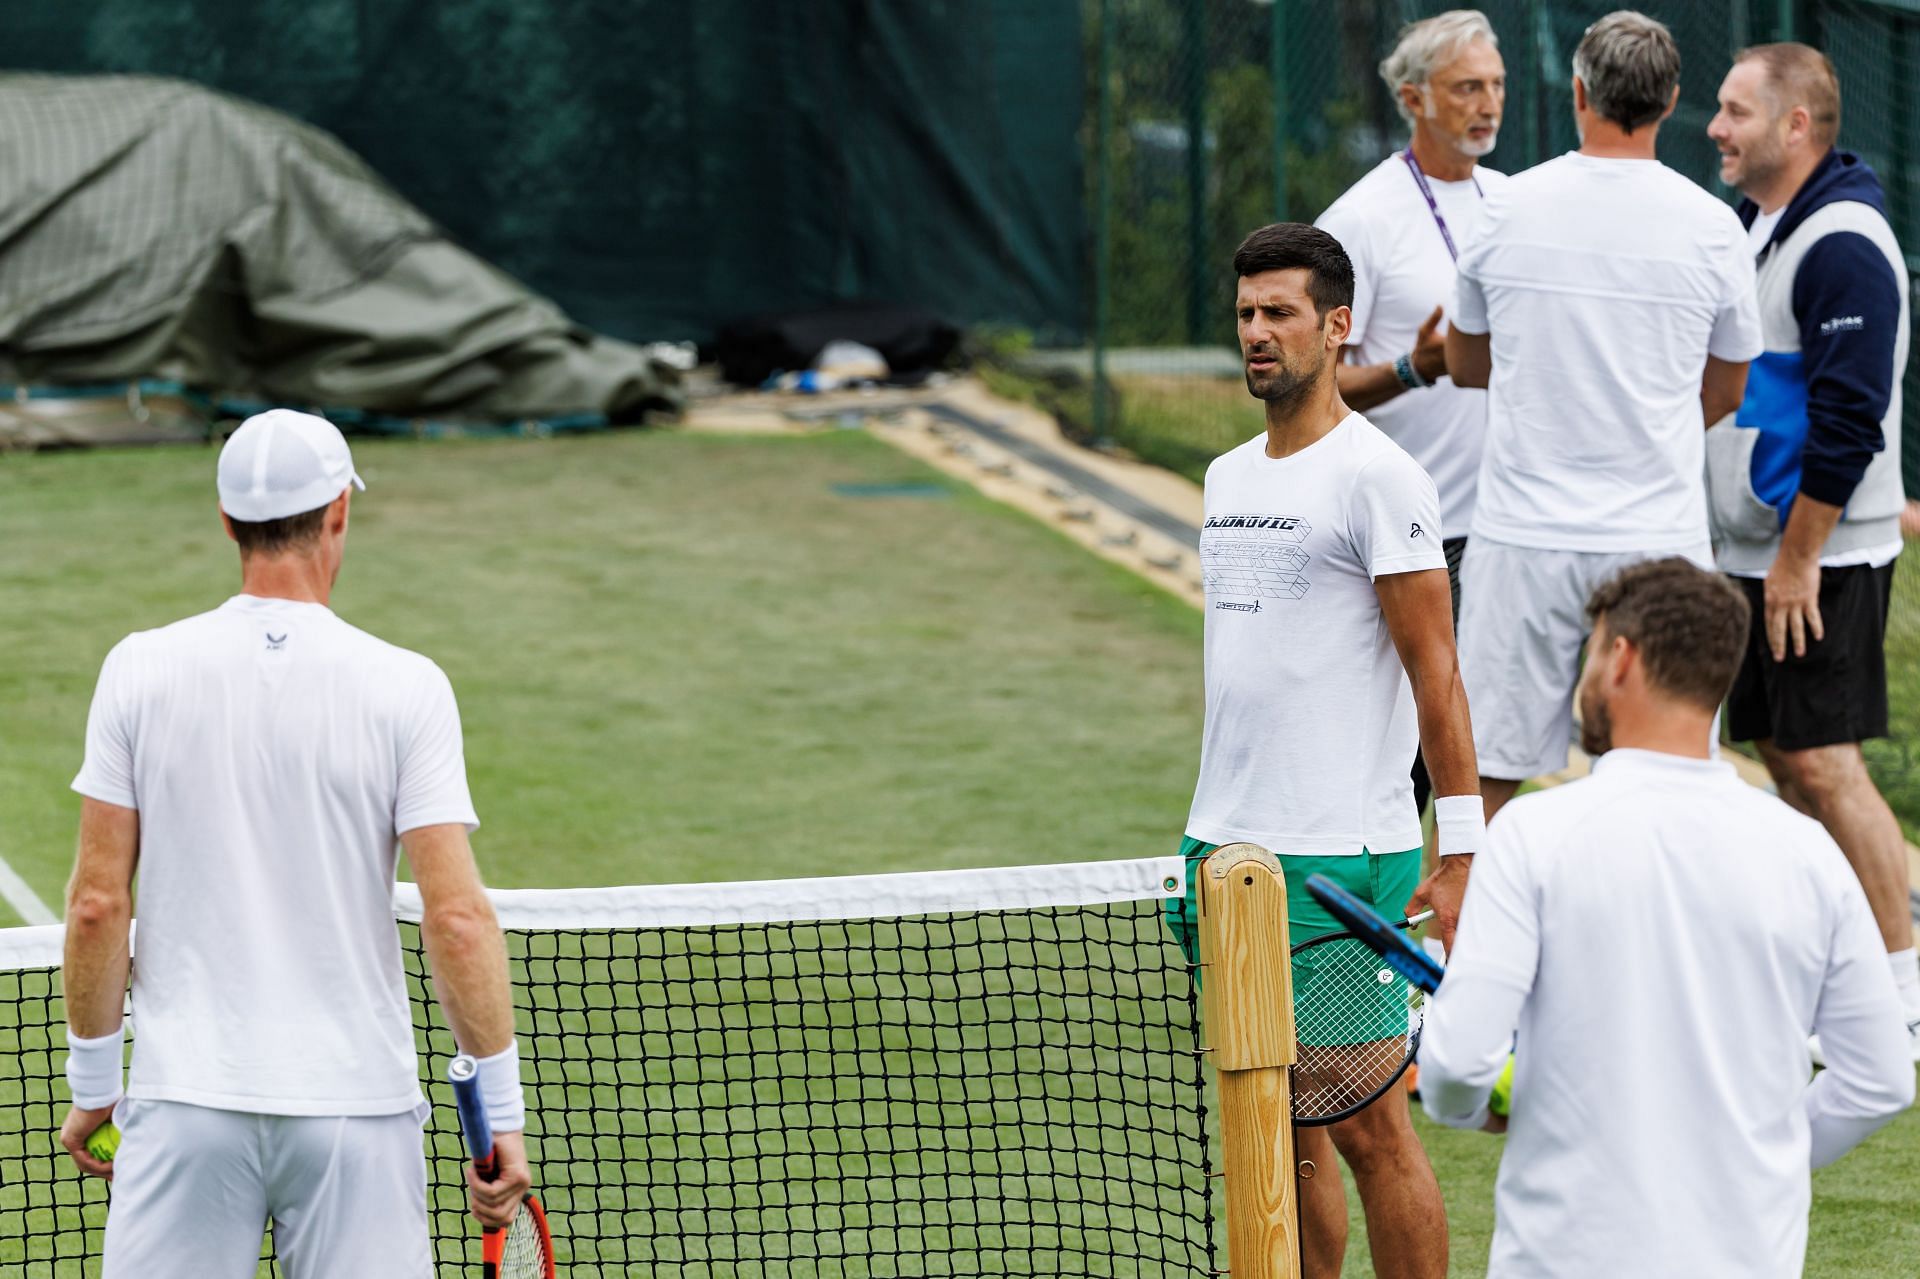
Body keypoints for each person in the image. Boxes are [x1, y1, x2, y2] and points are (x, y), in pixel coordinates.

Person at [58, 409, 531, 1275]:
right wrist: (498, 1113)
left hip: (184, 1105)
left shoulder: (138, 667)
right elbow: (457, 918)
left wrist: (95, 1085)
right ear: (339, 514)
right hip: (356, 1113)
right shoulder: (408, 687)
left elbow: (96, 905)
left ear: (227, 519)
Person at [1419, 557, 1913, 1277]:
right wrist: (1758, 1161)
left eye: (1590, 652)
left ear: (1620, 657)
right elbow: (1882, 1080)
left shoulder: (1534, 833)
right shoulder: (1808, 852)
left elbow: (1457, 1064)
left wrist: (1476, 1105)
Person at [1165, 222, 1481, 1279]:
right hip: (1221, 849)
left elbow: (1437, 670)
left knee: (1371, 1134)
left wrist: (1462, 846)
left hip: (1344, 860)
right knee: (1277, 1140)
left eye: (1281, 314)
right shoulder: (1224, 475)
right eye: (1247, 313)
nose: (1257, 333)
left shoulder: (1378, 480)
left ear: (1336, 326)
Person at [1445, 10, 1763, 826]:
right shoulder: (1713, 226)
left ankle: (1464, 953)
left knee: (1481, 783)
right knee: (1663, 787)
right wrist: (1645, 426)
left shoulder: (1505, 208)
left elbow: (1465, 364)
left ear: (1579, 91)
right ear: (1672, 101)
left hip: (1522, 537)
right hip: (1660, 537)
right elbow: (1727, 389)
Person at [1705, 43, 1919, 1059]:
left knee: (1826, 762)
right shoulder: (1762, 224)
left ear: (1797, 126)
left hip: (1818, 557)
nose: (1716, 127)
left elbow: (1849, 418)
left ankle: (1904, 986)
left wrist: (1798, 561)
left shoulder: (1841, 242)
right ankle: (1857, 969)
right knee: (1789, 757)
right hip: (1767, 551)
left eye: (1736, 111)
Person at [1315, 8, 1508, 819]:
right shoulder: (1360, 219)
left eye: (1495, 85)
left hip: (1505, 523)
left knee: (1485, 746)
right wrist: (1413, 367)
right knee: (1392, 760)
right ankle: (1351, 929)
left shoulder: (1513, 204)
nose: (1487, 103)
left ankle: (1448, 929)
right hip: (1403, 530)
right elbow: (1308, 388)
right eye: (1467, 87)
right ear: (1413, 97)